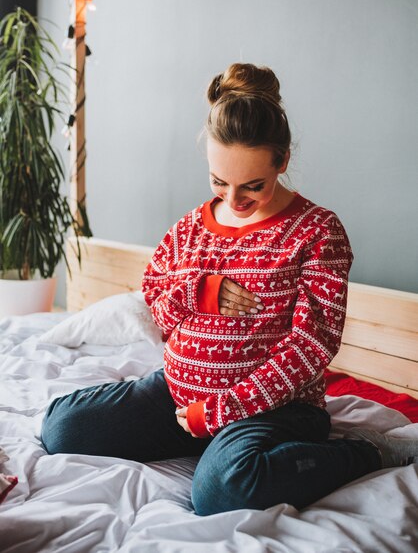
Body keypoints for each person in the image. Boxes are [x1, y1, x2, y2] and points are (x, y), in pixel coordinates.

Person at [41, 63, 418, 515]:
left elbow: (311, 348)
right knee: (62, 428)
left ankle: (368, 453)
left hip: (273, 409)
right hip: (181, 397)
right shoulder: (189, 229)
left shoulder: (317, 232)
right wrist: (197, 289)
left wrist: (223, 410)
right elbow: (156, 307)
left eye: (252, 187)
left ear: (282, 160)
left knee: (222, 492)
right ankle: (219, 448)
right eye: (219, 182)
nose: (234, 202)